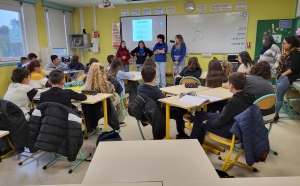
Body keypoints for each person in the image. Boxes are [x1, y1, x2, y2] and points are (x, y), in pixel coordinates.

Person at [190, 72, 256, 144]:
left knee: (201, 121)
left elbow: (219, 123)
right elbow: (226, 117)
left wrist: (207, 122)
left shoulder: (234, 102)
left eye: (228, 82)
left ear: (231, 86)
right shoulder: (249, 96)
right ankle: (195, 143)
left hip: (232, 131)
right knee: (199, 115)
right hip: (238, 125)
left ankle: (194, 145)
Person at [137, 66, 190, 139]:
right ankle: (181, 133)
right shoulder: (155, 90)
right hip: (157, 114)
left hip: (145, 113)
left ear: (142, 77)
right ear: (155, 77)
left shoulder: (139, 88)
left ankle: (187, 116)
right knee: (179, 112)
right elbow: (165, 100)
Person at [274, 36, 300, 123]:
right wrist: (283, 50)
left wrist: (284, 74)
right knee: (277, 96)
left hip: (286, 77)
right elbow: (283, 61)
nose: (283, 44)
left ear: (290, 44)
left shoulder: (295, 53)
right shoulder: (289, 52)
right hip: (282, 77)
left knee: (278, 97)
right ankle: (275, 114)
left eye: (284, 43)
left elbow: (295, 67)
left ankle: (275, 115)